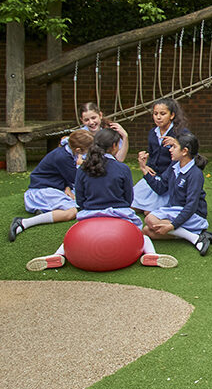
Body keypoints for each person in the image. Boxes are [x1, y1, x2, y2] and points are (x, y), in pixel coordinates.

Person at [26, 127, 177, 271]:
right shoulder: (122, 168)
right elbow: (128, 198)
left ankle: (57, 254)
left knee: (68, 239)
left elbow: (80, 200)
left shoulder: (83, 168)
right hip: (120, 215)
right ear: (113, 146)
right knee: (142, 235)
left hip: (89, 216)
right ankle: (151, 253)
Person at [140, 131, 212, 256]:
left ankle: (194, 238)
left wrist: (172, 226)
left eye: (174, 146)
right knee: (147, 231)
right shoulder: (174, 166)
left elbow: (191, 206)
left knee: (150, 219)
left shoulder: (195, 174)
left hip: (195, 214)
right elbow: (160, 188)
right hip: (176, 210)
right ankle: (193, 235)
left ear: (185, 151)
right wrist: (144, 170)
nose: (170, 150)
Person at [10, 129, 94, 241]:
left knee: (82, 201)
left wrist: (68, 187)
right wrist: (79, 167)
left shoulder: (69, 152)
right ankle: (23, 222)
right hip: (42, 191)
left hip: (55, 188)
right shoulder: (63, 157)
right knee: (75, 210)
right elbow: (77, 179)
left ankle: (44, 211)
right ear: (78, 150)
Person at [132, 98, 188, 213]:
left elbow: (190, 153)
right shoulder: (153, 132)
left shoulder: (181, 132)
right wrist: (146, 165)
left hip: (168, 179)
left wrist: (177, 143)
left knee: (148, 212)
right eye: (155, 113)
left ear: (172, 115)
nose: (158, 117)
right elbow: (152, 154)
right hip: (154, 175)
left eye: (163, 114)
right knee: (132, 206)